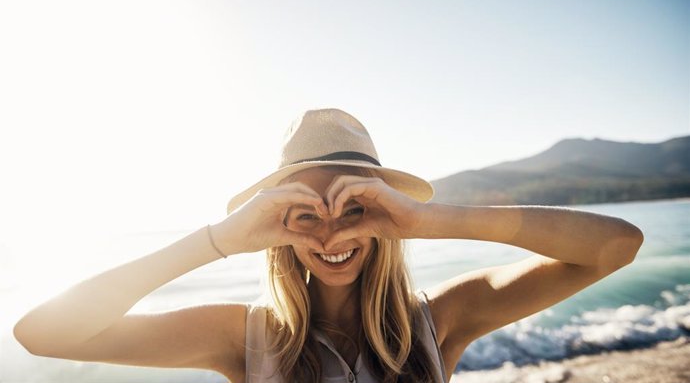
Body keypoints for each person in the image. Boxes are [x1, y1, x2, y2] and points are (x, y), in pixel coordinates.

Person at [14, 108, 644, 383]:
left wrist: (427, 220)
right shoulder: (247, 339)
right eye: (304, 211)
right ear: (275, 226)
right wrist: (217, 241)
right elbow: (46, 334)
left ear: (385, 213)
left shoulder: (442, 320)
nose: (332, 232)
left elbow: (616, 245)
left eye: (356, 208)